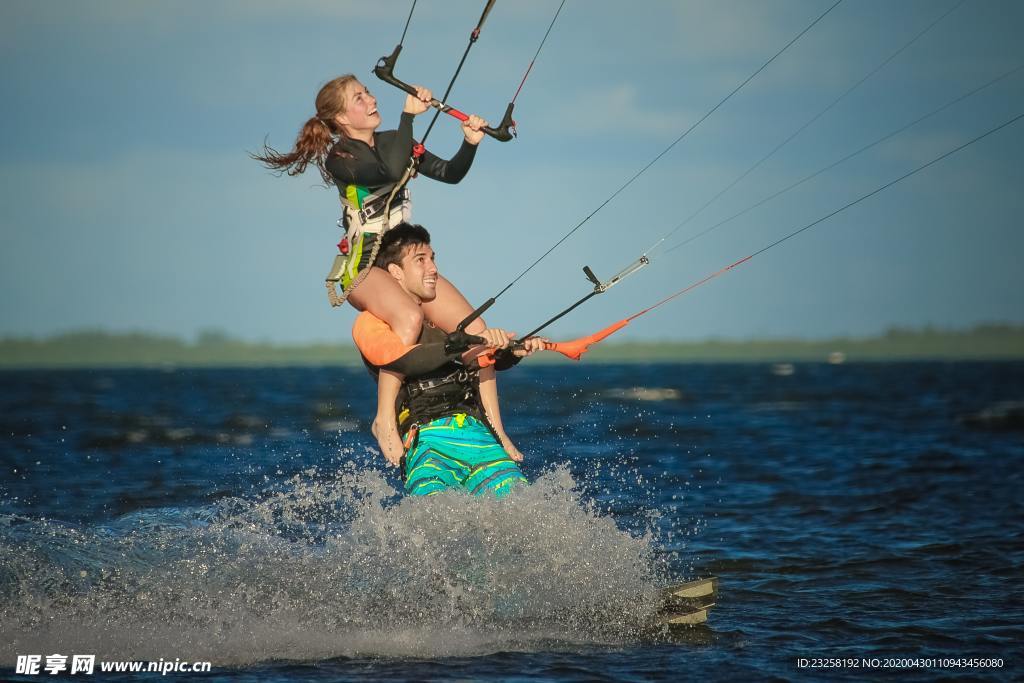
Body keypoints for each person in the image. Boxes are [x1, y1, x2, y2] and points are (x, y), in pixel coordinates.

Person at [254, 74, 516, 452]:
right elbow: (389, 171)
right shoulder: (341, 159)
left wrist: (469, 143)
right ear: (342, 119)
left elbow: (450, 173)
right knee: (409, 318)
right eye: (359, 98)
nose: (371, 100)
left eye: (368, 92)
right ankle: (384, 418)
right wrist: (409, 117)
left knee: (475, 327)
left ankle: (495, 428)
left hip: (404, 265)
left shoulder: (395, 142)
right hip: (365, 270)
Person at [351, 223, 544, 497]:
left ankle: (497, 435)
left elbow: (476, 361)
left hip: (475, 435)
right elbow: (403, 360)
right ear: (395, 273)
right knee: (434, 517)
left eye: (432, 259)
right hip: (429, 441)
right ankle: (384, 421)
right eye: (421, 260)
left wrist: (508, 351)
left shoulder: (447, 329)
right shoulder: (375, 326)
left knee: (524, 510)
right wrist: (457, 345)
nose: (433, 269)